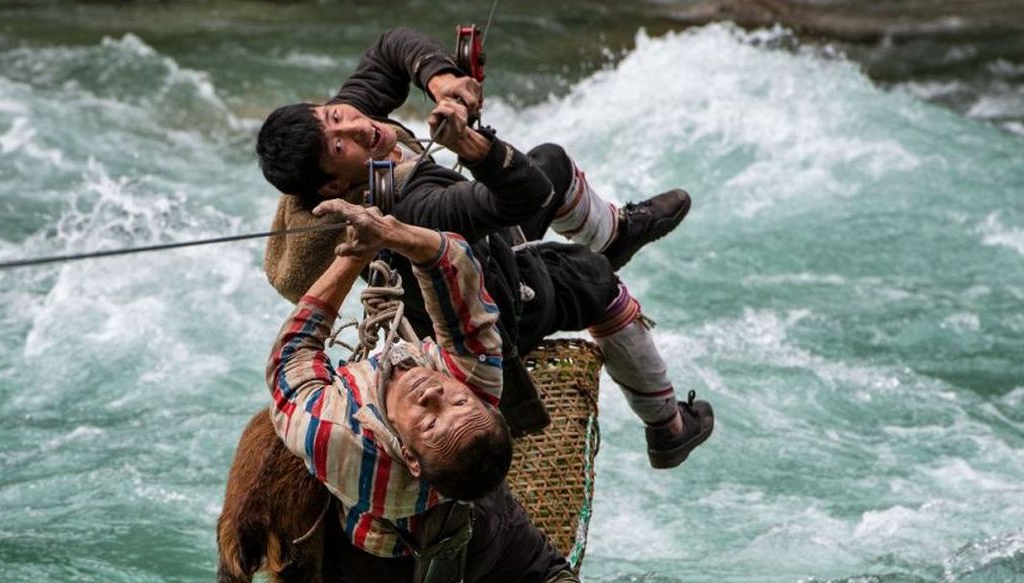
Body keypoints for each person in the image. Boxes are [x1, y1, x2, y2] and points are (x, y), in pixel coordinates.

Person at [267, 199, 672, 583]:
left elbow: (293, 357)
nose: (435, 393)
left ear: (407, 452)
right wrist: (395, 233)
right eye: (450, 402)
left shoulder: (341, 438)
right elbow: (456, 272)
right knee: (540, 577)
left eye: (434, 415)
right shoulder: (478, 379)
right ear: (483, 403)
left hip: (373, 574)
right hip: (481, 536)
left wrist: (354, 256)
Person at [257, 27, 713, 469]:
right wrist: (474, 147)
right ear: (334, 184)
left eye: (336, 115)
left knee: (551, 161)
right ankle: (668, 429)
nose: (358, 126)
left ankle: (616, 233)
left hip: (476, 250)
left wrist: (442, 80)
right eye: (341, 144)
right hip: (490, 306)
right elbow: (523, 197)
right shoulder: (413, 206)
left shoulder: (353, 132)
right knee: (594, 277)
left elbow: (391, 47)